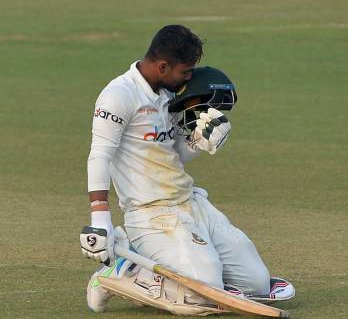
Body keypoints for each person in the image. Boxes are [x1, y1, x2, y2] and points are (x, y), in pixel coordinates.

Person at [79, 25, 294, 315]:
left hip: (191, 204)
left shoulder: (169, 93)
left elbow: (174, 153)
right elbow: (99, 155)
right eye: (186, 71)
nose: (189, 78)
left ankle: (188, 270)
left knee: (255, 283)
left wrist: (200, 142)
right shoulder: (119, 95)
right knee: (202, 291)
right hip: (150, 214)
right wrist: (100, 216)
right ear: (163, 65)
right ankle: (121, 270)